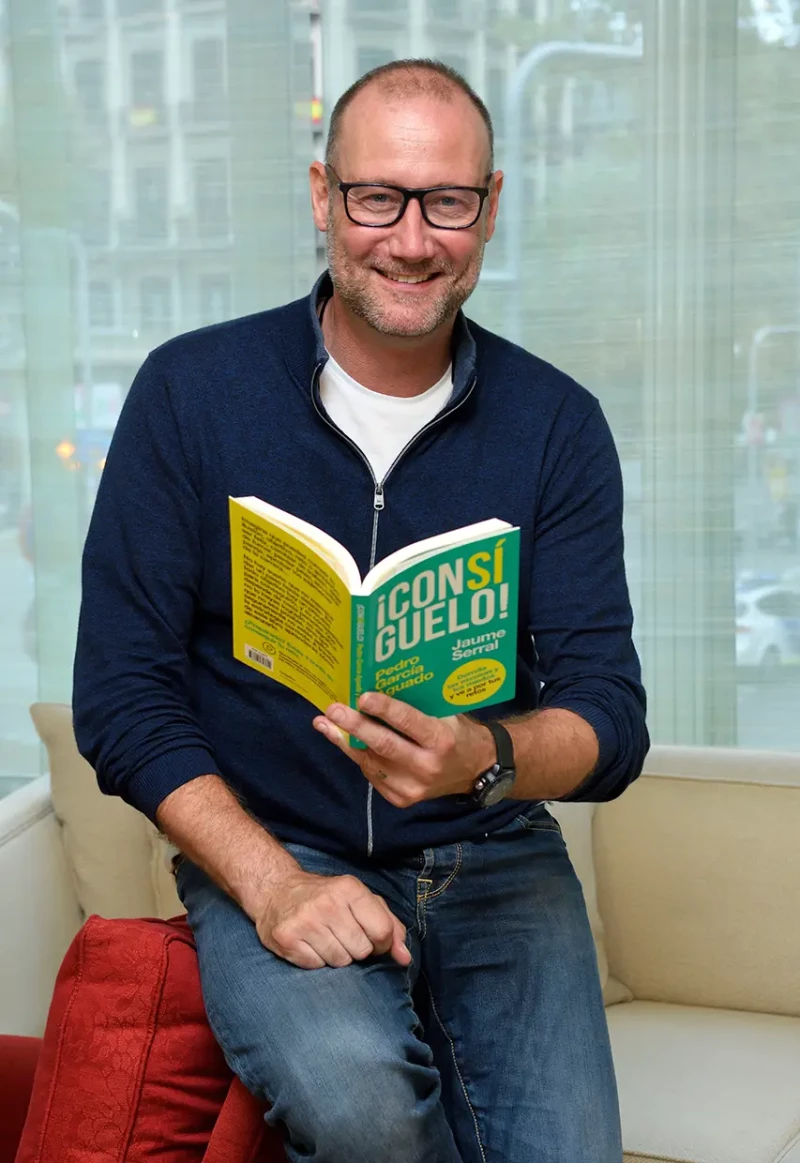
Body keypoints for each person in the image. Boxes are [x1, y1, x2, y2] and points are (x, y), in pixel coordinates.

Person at [73, 59, 648, 1163]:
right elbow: (121, 696)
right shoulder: (190, 392)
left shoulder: (555, 423)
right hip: (276, 840)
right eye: (376, 196)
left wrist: (481, 756)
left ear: (489, 204)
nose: (411, 238)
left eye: (448, 201)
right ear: (321, 195)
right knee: (359, 1109)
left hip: (493, 853)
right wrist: (273, 884)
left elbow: (608, 717)